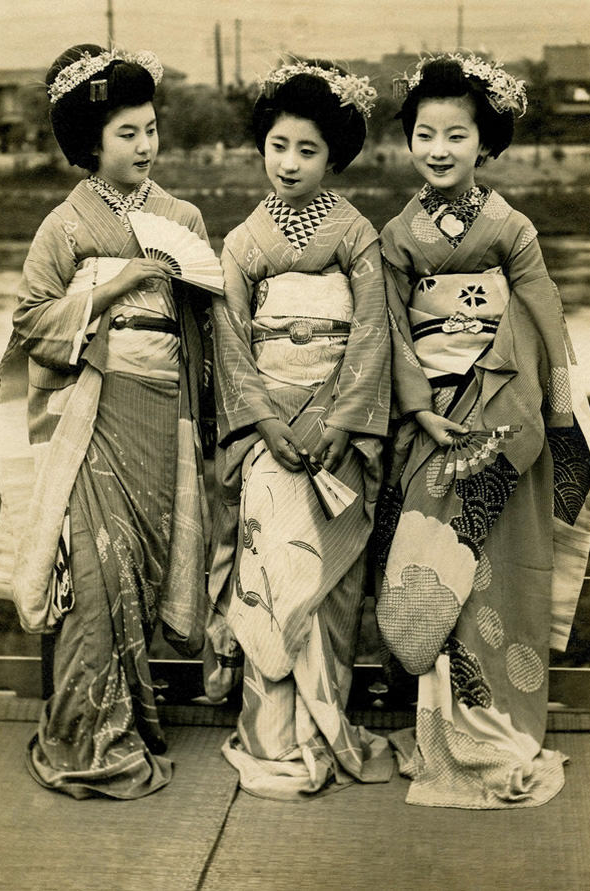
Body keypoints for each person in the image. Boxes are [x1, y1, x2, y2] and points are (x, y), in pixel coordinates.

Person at [0, 44, 215, 799]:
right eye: (127, 132)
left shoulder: (182, 217)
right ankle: (87, 735)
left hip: (160, 414)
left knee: (139, 575)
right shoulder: (64, 224)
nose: (145, 144)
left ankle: (125, 714)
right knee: (93, 574)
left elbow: (207, 324)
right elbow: (29, 320)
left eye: (151, 128)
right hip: (92, 415)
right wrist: (115, 285)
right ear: (91, 141)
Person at [373, 53, 590, 809]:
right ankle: (443, 734)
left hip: (500, 419)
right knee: (438, 576)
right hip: (432, 421)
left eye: (457, 134)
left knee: (498, 578)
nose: (438, 149)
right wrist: (419, 404)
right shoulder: (398, 235)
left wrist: (507, 406)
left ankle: (496, 729)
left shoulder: (512, 228)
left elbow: (542, 322)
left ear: (484, 142)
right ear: (408, 139)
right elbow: (392, 333)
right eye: (425, 133)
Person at [204, 61, 394, 799]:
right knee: (267, 578)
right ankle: (268, 735)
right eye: (278, 145)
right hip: (270, 440)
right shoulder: (244, 242)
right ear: (262, 146)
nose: (288, 163)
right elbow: (230, 341)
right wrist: (265, 422)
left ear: (334, 155)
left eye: (307, 150)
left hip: (334, 438)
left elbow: (372, 334)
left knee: (330, 590)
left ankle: (322, 729)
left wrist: (341, 421)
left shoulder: (356, 234)